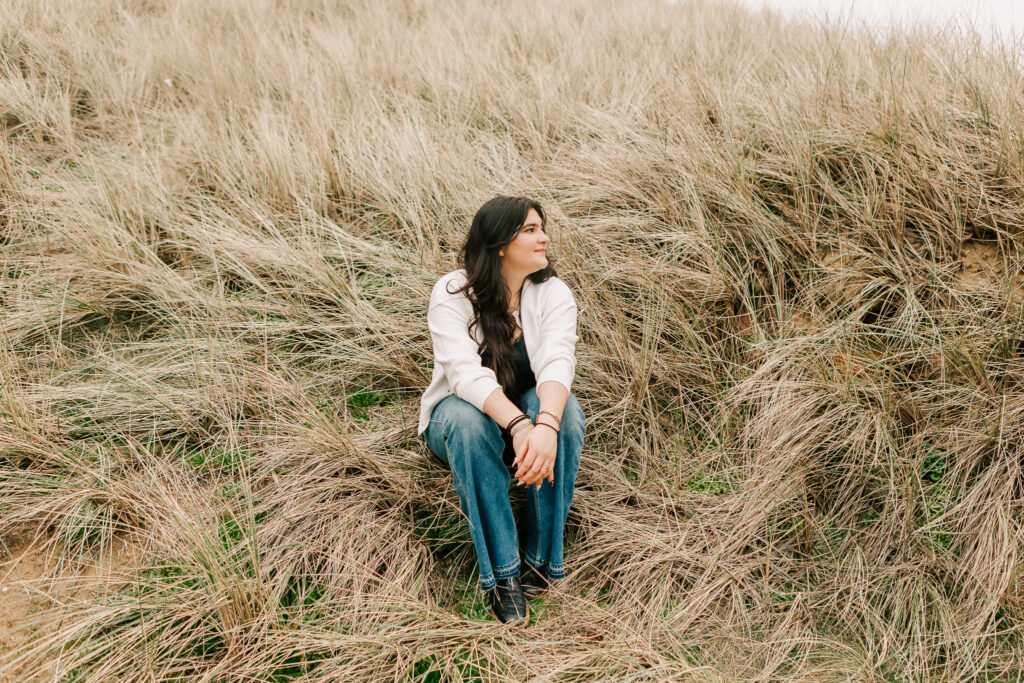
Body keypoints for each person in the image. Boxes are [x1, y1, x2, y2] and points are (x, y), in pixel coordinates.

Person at [417, 195, 586, 625]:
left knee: (565, 415)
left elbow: (557, 361)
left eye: (542, 227)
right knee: (469, 422)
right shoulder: (453, 292)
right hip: (458, 419)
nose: (544, 237)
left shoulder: (553, 293)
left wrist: (544, 425)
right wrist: (517, 425)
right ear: (499, 245)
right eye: (530, 230)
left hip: (528, 421)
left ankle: (540, 560)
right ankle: (504, 576)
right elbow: (462, 375)